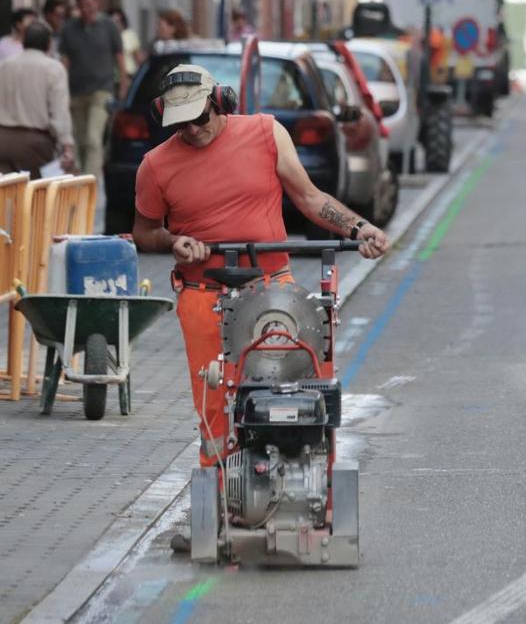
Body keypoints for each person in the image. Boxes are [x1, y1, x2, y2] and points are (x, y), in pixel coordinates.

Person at [132, 63, 389, 475]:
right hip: (202, 298)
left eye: (199, 118)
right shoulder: (155, 166)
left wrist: (359, 228)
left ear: (220, 102)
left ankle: (286, 481)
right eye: (180, 124)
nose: (192, 130)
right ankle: (216, 507)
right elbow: (144, 231)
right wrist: (172, 242)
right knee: (214, 406)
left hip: (273, 292)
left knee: (286, 390)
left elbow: (308, 197)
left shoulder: (266, 133)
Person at [0, 22, 74, 179]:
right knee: (35, 196)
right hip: (35, 143)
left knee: (2, 194)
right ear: (49, 44)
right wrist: (66, 145)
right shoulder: (54, 69)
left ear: (23, 41)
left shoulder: (3, 66)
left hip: (0, 139)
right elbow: (59, 110)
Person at [59, 0, 127, 178]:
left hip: (102, 90)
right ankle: (79, 176)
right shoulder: (69, 29)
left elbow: (120, 56)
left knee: (93, 138)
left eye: (90, 5)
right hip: (76, 91)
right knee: (79, 138)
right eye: (82, 7)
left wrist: (123, 83)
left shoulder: (109, 26)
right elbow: (64, 61)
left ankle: (91, 180)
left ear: (96, 2)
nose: (87, 10)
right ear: (77, 7)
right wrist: (62, 90)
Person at [108, 7, 145, 81]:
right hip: (110, 77)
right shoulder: (106, 36)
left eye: (118, 21)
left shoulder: (130, 35)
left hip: (129, 75)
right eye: (113, 22)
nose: (116, 25)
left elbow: (138, 58)